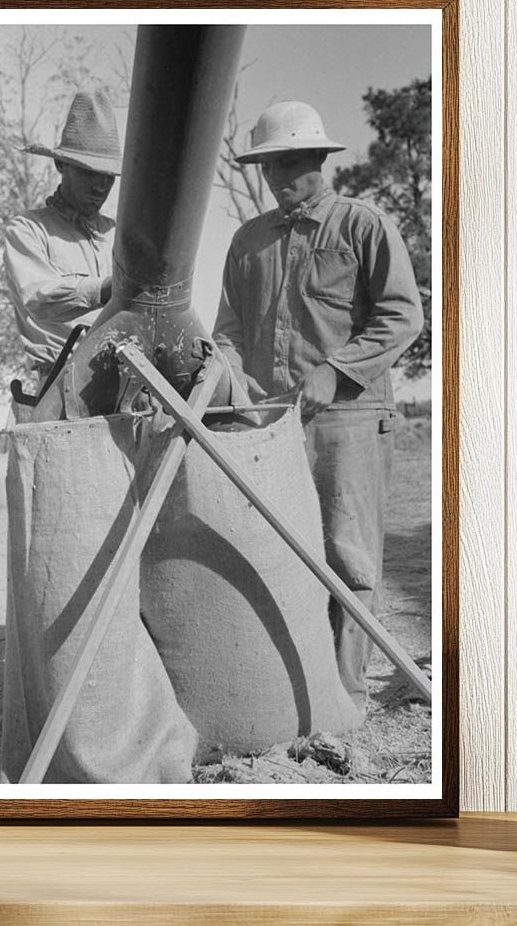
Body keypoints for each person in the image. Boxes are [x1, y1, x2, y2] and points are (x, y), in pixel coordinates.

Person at [213, 100, 424, 717]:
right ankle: (293, 693)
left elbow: (403, 315)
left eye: (291, 163)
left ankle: (344, 700)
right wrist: (234, 384)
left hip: (349, 420)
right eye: (269, 166)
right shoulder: (247, 242)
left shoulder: (363, 225)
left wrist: (338, 371)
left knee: (348, 556)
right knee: (279, 553)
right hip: (270, 425)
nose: (279, 177)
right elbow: (228, 329)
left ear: (318, 160)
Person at [3, 90, 122, 382]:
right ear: (60, 165)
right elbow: (39, 300)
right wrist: (105, 289)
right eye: (88, 173)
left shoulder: (119, 234)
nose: (100, 186)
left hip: (127, 378)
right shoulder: (28, 230)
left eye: (108, 176)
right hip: (60, 383)